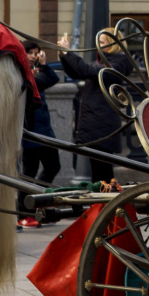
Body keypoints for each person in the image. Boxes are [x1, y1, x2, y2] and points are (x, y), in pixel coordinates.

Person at [57, 28, 134, 182]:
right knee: (99, 172)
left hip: (102, 124)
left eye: (102, 42)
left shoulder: (117, 64)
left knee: (102, 173)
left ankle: (105, 203)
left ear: (113, 45)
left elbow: (86, 70)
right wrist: (64, 57)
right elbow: (77, 72)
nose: (98, 45)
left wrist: (68, 53)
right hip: (95, 123)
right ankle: (102, 203)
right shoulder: (102, 63)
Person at [18, 40, 60, 228]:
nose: (35, 56)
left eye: (37, 52)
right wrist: (43, 68)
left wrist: (44, 66)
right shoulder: (22, 73)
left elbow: (52, 79)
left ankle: (37, 202)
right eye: (31, 53)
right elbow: (46, 81)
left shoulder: (36, 72)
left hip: (44, 129)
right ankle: (24, 212)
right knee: (29, 173)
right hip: (31, 131)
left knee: (52, 166)